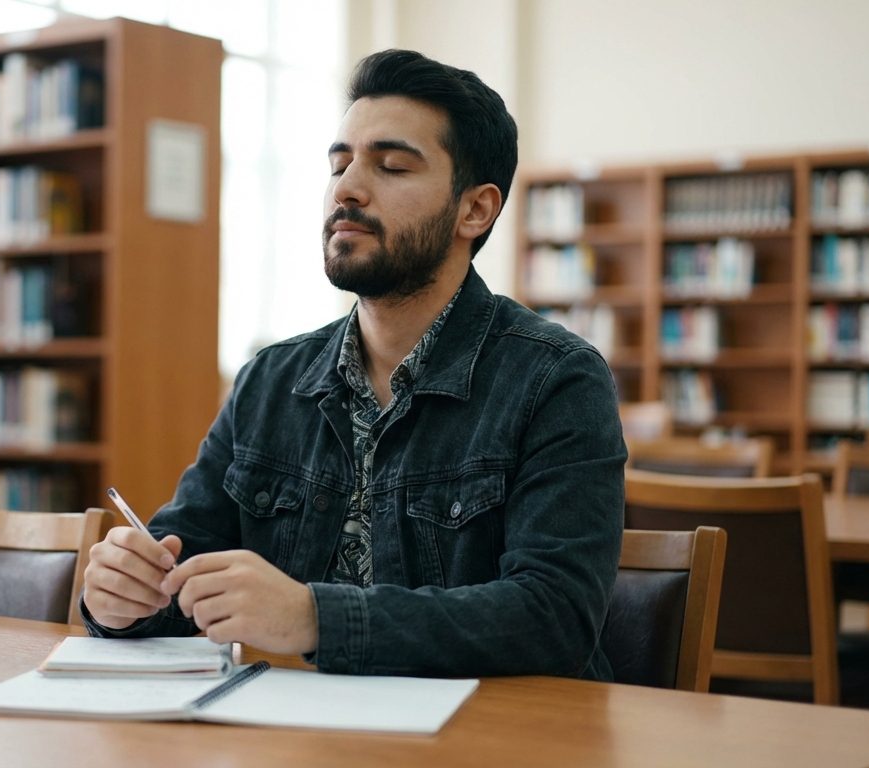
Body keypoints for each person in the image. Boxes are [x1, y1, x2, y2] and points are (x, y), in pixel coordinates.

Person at [80, 49, 626, 680]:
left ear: (474, 210)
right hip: (297, 730)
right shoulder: (270, 381)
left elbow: (555, 617)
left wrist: (315, 617)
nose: (346, 188)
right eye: (338, 165)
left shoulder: (556, 380)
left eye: (390, 166)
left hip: (486, 737)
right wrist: (125, 600)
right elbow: (178, 570)